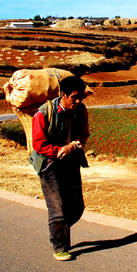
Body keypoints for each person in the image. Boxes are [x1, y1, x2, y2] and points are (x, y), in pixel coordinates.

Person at [29, 75, 90, 261]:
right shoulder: (43, 113)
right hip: (49, 165)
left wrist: (74, 145)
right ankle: (60, 246)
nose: (78, 101)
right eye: (74, 97)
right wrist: (59, 150)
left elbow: (84, 134)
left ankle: (59, 229)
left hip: (70, 162)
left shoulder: (81, 111)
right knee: (58, 209)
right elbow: (39, 144)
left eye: (81, 97)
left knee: (77, 207)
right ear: (63, 95)